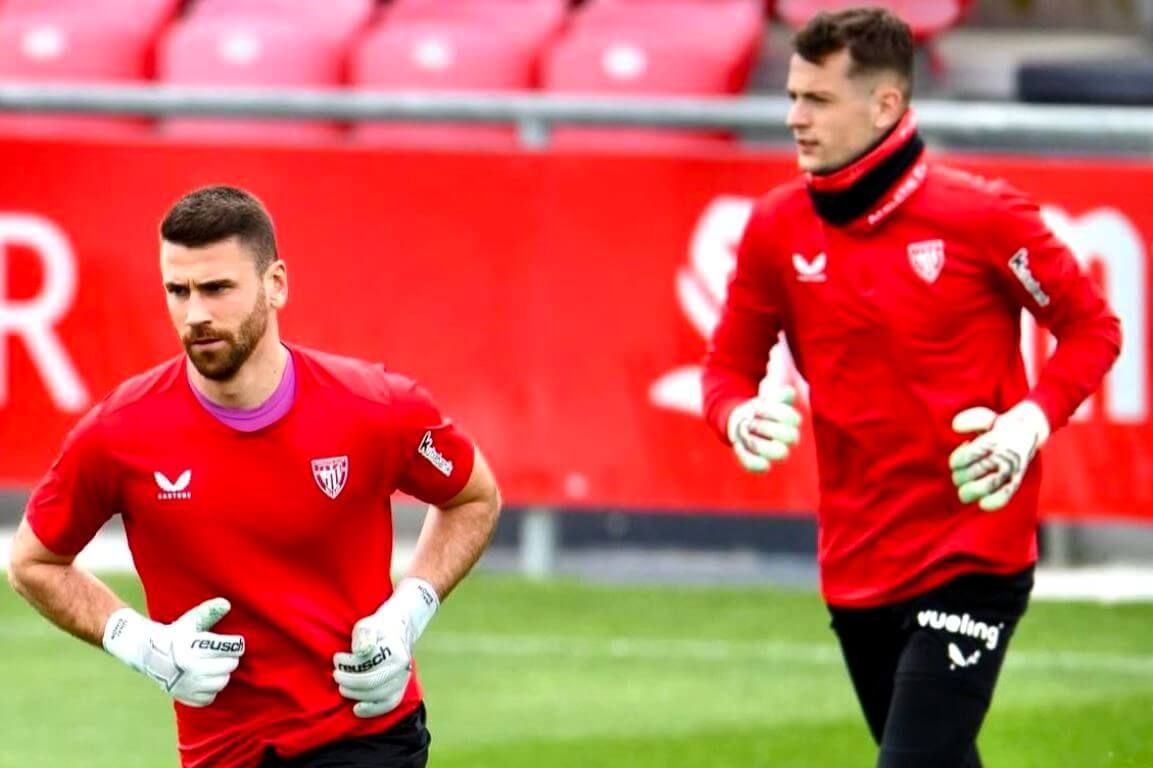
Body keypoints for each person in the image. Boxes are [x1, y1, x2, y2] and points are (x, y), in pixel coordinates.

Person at [702, 8, 1121, 768]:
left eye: (817, 100)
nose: (793, 117)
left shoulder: (984, 217)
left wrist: (1027, 424)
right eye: (792, 96)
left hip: (974, 550)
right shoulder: (774, 228)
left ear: (885, 104)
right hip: (856, 557)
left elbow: (1093, 329)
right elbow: (725, 370)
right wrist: (737, 415)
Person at [7, 185, 502, 768]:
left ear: (276, 285)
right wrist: (143, 644)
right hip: (220, 753)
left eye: (217, 288)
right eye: (178, 290)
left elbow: (475, 496)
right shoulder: (118, 433)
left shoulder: (373, 406)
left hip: (366, 736)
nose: (196, 314)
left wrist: (408, 611)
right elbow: (32, 562)